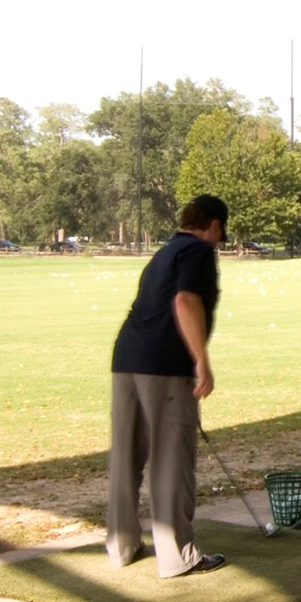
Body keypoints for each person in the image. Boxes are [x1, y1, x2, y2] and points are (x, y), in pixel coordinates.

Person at [107, 194, 230, 579]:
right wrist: (201, 359)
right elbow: (185, 302)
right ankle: (178, 556)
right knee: (170, 458)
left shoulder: (164, 252)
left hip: (126, 360)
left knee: (126, 455)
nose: (221, 239)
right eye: (221, 231)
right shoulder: (198, 252)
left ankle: (122, 546)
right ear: (213, 225)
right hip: (164, 366)